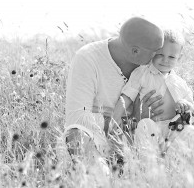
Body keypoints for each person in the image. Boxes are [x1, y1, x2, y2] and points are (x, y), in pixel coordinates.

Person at [64, 17, 165, 167]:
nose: (159, 57)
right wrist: (128, 122)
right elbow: (78, 118)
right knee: (76, 135)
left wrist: (145, 120)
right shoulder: (87, 58)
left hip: (136, 141)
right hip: (96, 143)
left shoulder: (149, 67)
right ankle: (99, 177)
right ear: (135, 51)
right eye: (156, 52)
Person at [112, 29, 194, 155]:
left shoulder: (180, 83)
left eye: (171, 57)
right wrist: (115, 119)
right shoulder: (142, 74)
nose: (165, 60)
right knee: (145, 125)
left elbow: (190, 108)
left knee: (188, 129)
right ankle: (148, 162)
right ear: (152, 53)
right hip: (151, 124)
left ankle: (174, 162)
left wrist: (185, 104)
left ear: (179, 58)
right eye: (160, 55)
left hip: (172, 128)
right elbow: (127, 96)